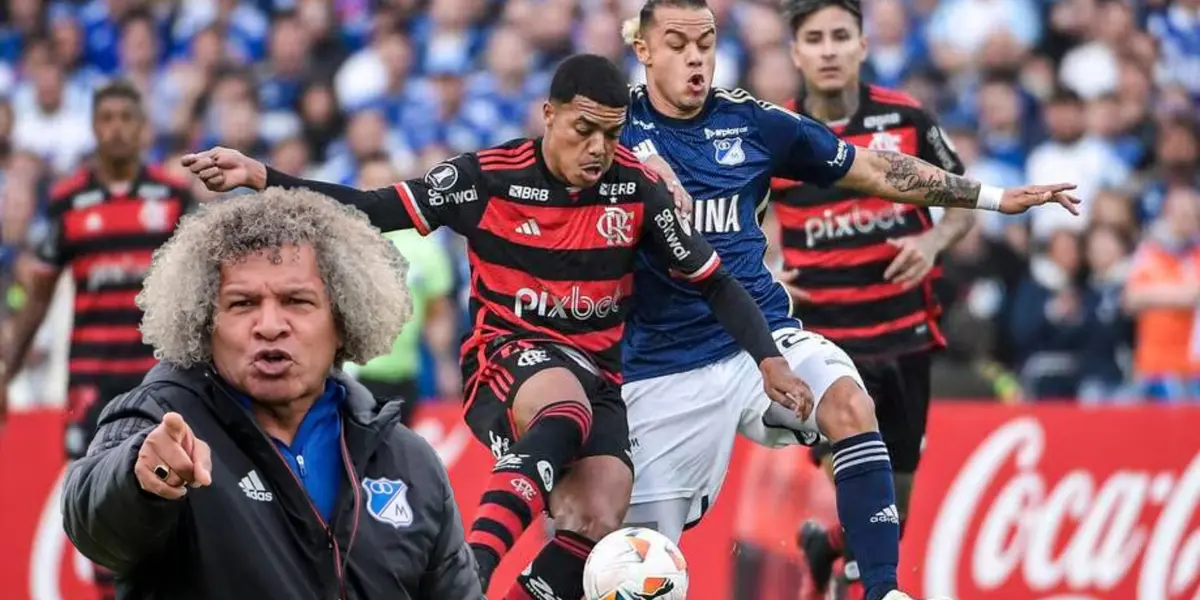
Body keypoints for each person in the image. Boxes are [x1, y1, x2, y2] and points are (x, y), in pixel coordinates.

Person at [181, 53, 811, 600]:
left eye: (611, 135)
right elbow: (372, 209)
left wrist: (767, 358)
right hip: (503, 359)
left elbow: (715, 280)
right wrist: (263, 177)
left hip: (600, 377)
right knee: (564, 409)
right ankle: (468, 575)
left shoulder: (638, 191)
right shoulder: (486, 177)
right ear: (549, 115)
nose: (597, 148)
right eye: (584, 129)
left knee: (598, 517)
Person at [617, 2, 1079, 600]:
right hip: (665, 363)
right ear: (645, 51)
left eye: (704, 42)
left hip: (765, 338)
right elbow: (554, 178)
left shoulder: (753, 122)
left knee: (849, 405)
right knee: (637, 565)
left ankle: (882, 590)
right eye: (676, 43)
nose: (695, 56)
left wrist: (993, 197)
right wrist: (635, 166)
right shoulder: (613, 129)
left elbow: (873, 169)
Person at [61, 188, 482, 599]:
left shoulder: (408, 460)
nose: (269, 325)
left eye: (297, 301)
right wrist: (142, 479)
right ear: (206, 323)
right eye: (242, 304)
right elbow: (93, 522)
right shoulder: (159, 421)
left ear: (343, 319)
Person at [770, 0, 975, 593]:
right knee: (860, 485)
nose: (829, 49)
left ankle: (824, 545)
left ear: (863, 45)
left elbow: (963, 198)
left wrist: (934, 240)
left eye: (841, 36)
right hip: (825, 342)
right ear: (796, 52)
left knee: (895, 510)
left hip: (903, 330)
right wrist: (765, 268)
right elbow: (740, 218)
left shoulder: (907, 119)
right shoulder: (775, 132)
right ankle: (860, 586)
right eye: (815, 38)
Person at [0, 81, 195, 600]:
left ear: (142, 127)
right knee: (99, 505)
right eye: (106, 118)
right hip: (90, 380)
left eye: (126, 118)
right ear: (93, 126)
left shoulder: (172, 198)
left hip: (161, 380)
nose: (116, 128)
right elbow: (37, 297)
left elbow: (206, 290)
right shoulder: (67, 201)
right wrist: (7, 373)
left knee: (168, 498)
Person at [342, 153, 461, 424]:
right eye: (370, 183)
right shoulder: (342, 242)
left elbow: (438, 311)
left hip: (405, 374)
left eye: (384, 183)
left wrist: (444, 363)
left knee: (396, 459)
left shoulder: (425, 247)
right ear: (357, 186)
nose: (376, 192)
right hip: (353, 373)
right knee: (355, 457)